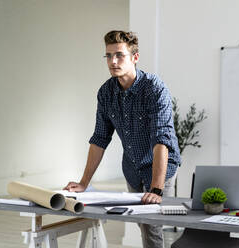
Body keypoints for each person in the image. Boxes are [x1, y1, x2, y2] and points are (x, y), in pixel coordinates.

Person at [64, 30, 181, 248]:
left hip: (160, 168)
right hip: (132, 168)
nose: (113, 61)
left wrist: (156, 189)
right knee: (142, 224)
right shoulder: (106, 93)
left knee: (152, 224)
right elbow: (99, 138)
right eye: (108, 55)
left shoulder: (155, 89)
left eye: (119, 55)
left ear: (135, 58)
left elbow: (161, 140)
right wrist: (83, 183)